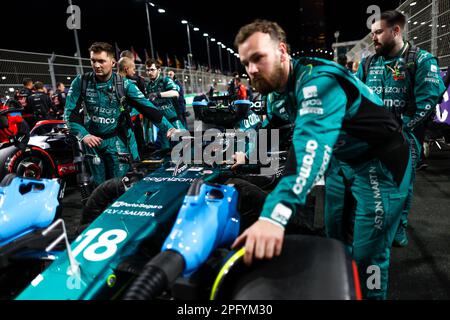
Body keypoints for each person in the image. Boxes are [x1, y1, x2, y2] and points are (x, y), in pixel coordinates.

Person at [231, 19, 413, 300]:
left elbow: (309, 152)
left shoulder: (319, 82)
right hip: (344, 160)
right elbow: (273, 126)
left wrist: (273, 217)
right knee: (332, 235)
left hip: (381, 163)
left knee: (368, 257)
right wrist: (248, 152)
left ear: (281, 51)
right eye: (245, 63)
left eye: (258, 58)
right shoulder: (275, 93)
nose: (251, 69)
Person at [356, 10, 445, 247]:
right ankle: (376, 226)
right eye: (372, 33)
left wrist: (401, 132)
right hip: (371, 138)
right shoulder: (367, 63)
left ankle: (398, 227)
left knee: (400, 185)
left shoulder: (422, 60)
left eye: (378, 32)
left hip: (405, 138)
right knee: (368, 184)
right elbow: (355, 98)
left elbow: (427, 103)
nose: (373, 38)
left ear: (396, 31)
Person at [64, 42, 176, 186]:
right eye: (93, 61)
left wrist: (168, 127)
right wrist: (84, 135)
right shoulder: (81, 82)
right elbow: (69, 113)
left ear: (112, 62)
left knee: (120, 185)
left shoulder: (125, 85)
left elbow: (147, 108)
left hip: (117, 141)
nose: (97, 65)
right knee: (98, 186)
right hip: (91, 142)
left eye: (101, 61)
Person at [145, 58, 185, 149]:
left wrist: (158, 94)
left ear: (159, 70)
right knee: (165, 150)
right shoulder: (148, 86)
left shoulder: (165, 80)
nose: (149, 72)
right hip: (162, 123)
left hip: (173, 120)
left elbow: (175, 93)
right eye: (147, 70)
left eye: (152, 69)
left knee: (184, 145)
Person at [117, 56, 146, 158]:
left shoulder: (110, 81)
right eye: (133, 69)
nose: (134, 72)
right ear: (126, 69)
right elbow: (144, 103)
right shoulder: (127, 84)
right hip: (124, 124)